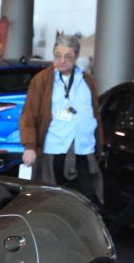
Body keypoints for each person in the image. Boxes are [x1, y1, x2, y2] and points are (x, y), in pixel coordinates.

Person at [19, 35, 102, 202]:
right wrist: (30, 146)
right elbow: (29, 114)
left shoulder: (87, 80)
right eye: (58, 55)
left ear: (76, 57)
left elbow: (95, 113)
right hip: (54, 148)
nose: (62, 60)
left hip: (83, 147)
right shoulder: (42, 80)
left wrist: (99, 144)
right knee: (51, 198)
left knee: (86, 198)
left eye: (68, 56)